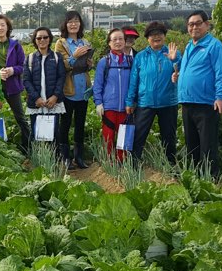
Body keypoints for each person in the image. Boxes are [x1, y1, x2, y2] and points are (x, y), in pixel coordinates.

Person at [177, 10, 222, 180]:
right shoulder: (189, 46)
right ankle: (195, 178)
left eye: (198, 23)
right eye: (191, 24)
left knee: (207, 145)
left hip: (206, 103)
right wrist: (178, 76)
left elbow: (221, 73)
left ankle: (211, 179)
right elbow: (190, 70)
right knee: (192, 144)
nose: (194, 27)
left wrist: (220, 96)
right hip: (187, 102)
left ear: (207, 25)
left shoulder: (214, 46)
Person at [126, 21, 180, 166]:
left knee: (169, 137)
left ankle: (170, 165)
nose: (156, 37)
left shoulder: (173, 54)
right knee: (139, 136)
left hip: (168, 102)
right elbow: (134, 80)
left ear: (164, 36)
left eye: (160, 34)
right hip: (145, 102)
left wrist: (175, 59)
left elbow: (181, 71)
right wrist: (130, 101)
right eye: (152, 35)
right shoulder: (141, 56)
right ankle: (134, 164)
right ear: (147, 38)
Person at [54, 11, 93, 169]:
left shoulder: (85, 42)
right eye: (70, 21)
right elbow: (60, 65)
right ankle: (65, 157)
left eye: (76, 21)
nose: (73, 24)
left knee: (80, 124)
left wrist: (89, 64)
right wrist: (74, 56)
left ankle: (79, 156)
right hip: (68, 89)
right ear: (65, 24)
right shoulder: (61, 43)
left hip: (83, 89)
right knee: (65, 124)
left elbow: (86, 65)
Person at [0, 15, 31, 152]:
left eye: (2, 25)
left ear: (8, 28)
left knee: (20, 117)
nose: (0, 28)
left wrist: (12, 70)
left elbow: (22, 66)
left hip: (13, 87)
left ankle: (28, 146)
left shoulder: (16, 46)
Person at [93, 28, 132, 162]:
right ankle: (108, 165)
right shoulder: (105, 62)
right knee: (108, 138)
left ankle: (122, 164)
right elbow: (98, 84)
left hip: (127, 108)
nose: (118, 42)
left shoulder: (130, 61)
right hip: (109, 107)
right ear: (109, 43)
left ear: (125, 42)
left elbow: (135, 84)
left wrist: (132, 101)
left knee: (124, 140)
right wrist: (98, 103)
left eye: (121, 39)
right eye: (114, 39)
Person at [23, 27, 66, 148]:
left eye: (45, 37)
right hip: (36, 104)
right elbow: (26, 80)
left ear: (50, 39)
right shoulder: (30, 58)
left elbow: (61, 77)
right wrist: (36, 98)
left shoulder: (57, 57)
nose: (42, 40)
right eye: (39, 38)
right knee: (37, 135)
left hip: (53, 103)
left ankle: (55, 162)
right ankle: (38, 162)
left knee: (54, 135)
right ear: (35, 40)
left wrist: (55, 96)